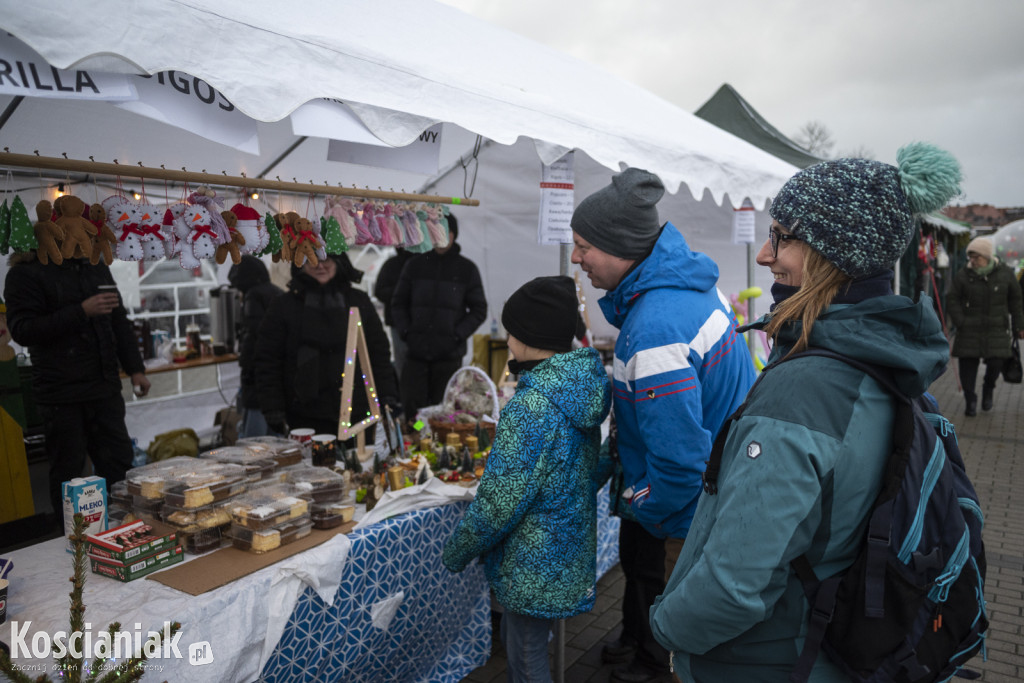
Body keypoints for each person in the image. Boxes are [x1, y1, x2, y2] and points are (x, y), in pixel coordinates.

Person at [649, 143, 962, 680]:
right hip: (824, 648)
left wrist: (666, 629)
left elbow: (733, 587)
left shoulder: (807, 388)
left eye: (782, 237)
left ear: (831, 254)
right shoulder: (882, 355)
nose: (766, 256)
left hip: (768, 659)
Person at [570, 167, 756, 683]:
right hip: (685, 485)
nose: (575, 258)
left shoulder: (656, 329)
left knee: (667, 591)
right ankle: (636, 639)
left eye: (583, 245)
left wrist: (640, 501)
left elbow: (679, 459)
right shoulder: (682, 288)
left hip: (684, 501)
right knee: (640, 570)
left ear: (620, 246)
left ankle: (655, 663)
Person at [442, 275, 611, 683]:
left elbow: (499, 501)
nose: (508, 336)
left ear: (527, 336)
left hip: (530, 558)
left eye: (511, 327)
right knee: (531, 645)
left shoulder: (531, 406)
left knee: (526, 655)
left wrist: (458, 549)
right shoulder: (580, 387)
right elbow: (588, 468)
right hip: (565, 545)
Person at [4, 251, 150, 526]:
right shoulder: (24, 274)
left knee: (120, 467)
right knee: (69, 476)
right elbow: (23, 329)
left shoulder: (93, 264)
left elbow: (118, 319)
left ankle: (130, 530)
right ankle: (71, 543)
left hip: (104, 389)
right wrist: (81, 311)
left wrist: (136, 369)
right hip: (61, 394)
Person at [254, 253, 399, 437]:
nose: (319, 266)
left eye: (326, 260)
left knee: (359, 464)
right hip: (304, 415)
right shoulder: (283, 306)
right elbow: (268, 359)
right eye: (311, 260)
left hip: (358, 412)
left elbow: (378, 353)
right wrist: (272, 406)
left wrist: (387, 395)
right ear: (301, 265)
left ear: (339, 262)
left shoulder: (358, 301)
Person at [391, 213, 487, 423]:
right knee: (414, 411)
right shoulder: (414, 265)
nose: (440, 237)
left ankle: (436, 448)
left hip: (448, 358)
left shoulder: (466, 269)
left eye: (445, 231)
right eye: (434, 231)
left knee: (444, 411)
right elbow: (398, 304)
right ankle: (416, 444)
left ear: (453, 235)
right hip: (415, 355)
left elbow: (479, 309)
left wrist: (456, 335)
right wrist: (407, 333)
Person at [946, 236, 1024, 416]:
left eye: (976, 257)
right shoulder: (964, 275)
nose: (972, 261)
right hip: (969, 329)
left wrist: (1019, 326)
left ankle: (988, 390)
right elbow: (952, 299)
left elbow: (1016, 301)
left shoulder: (1005, 273)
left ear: (987, 256)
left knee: (996, 364)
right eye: (970, 257)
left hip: (996, 329)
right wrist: (961, 321)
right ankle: (970, 400)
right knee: (967, 367)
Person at [227, 255, 283, 437]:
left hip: (258, 376)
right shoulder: (276, 292)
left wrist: (246, 365)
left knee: (254, 439)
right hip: (277, 373)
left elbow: (253, 337)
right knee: (275, 434)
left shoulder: (253, 296)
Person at [373, 246, 414, 378]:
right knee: (401, 359)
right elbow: (379, 291)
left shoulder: (423, 264)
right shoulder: (391, 265)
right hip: (397, 321)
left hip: (421, 321)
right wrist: (399, 294)